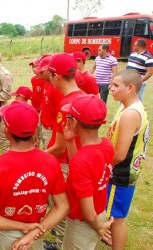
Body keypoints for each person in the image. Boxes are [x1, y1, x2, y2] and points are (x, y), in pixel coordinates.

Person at [0, 100, 69, 250]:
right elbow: (63, 206)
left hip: (6, 234)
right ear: (34, 131)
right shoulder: (50, 161)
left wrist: (25, 228)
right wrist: (34, 231)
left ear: (6, 130)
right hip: (36, 233)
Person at [61, 95, 114, 249]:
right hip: (98, 213)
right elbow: (82, 171)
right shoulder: (107, 145)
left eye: (69, 117)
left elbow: (88, 212)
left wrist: (99, 227)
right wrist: (70, 141)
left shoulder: (82, 160)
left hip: (84, 221)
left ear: (74, 122)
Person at [45, 53, 85, 250]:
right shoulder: (84, 98)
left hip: (65, 163)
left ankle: (61, 244)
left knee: (61, 208)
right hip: (78, 160)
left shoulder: (66, 104)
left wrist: (40, 157)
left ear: (55, 76)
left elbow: (60, 146)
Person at [106, 69, 149, 249]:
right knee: (115, 215)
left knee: (116, 217)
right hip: (122, 172)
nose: (111, 88)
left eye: (116, 85)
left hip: (120, 173)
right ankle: (111, 238)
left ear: (130, 87)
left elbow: (120, 154)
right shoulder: (127, 107)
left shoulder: (131, 114)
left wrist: (104, 165)